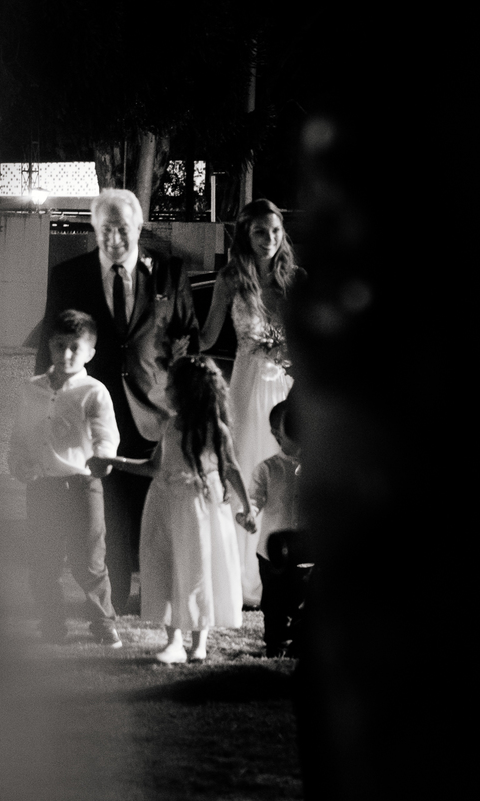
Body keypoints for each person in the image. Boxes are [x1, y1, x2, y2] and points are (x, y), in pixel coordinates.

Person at [36, 188, 200, 613]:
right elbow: (49, 346)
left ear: (139, 227)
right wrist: (46, 408)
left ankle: (159, 597)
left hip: (156, 414)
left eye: (123, 228)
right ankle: (114, 600)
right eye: (105, 228)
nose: (114, 238)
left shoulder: (169, 272)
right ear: (94, 229)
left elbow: (189, 341)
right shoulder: (68, 276)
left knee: (158, 513)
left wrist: (188, 405)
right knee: (105, 517)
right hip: (93, 415)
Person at [91, 357, 257, 663]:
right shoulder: (170, 424)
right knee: (165, 567)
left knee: (196, 571)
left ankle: (198, 643)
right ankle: (174, 641)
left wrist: (247, 508)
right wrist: (114, 462)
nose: (166, 390)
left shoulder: (214, 429)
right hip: (163, 503)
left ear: (189, 390)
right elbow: (155, 466)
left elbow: (231, 468)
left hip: (198, 508)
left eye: (171, 386)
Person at [200, 198, 303, 606]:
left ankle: (279, 571)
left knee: (283, 475)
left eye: (275, 231)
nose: (269, 239)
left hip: (283, 388)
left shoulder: (294, 280)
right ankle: (237, 578)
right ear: (245, 233)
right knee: (243, 470)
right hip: (244, 388)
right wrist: (176, 334)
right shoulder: (230, 279)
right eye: (260, 231)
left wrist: (291, 355)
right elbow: (208, 336)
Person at [9, 309, 123, 647]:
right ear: (50, 346)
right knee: (43, 561)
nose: (67, 354)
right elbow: (20, 436)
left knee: (89, 561)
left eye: (76, 347)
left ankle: (103, 624)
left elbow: (106, 435)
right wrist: (19, 463)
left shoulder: (93, 391)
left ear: (90, 352)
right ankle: (51, 625)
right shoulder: (31, 389)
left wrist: (103, 457)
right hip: (42, 487)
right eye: (60, 345)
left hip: (82, 487)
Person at [247, 398, 309, 657]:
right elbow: (255, 498)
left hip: (304, 550)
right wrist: (248, 513)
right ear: (277, 433)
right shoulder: (268, 468)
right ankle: (275, 643)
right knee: (274, 602)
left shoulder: (315, 466)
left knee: (301, 598)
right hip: (271, 552)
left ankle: (300, 641)